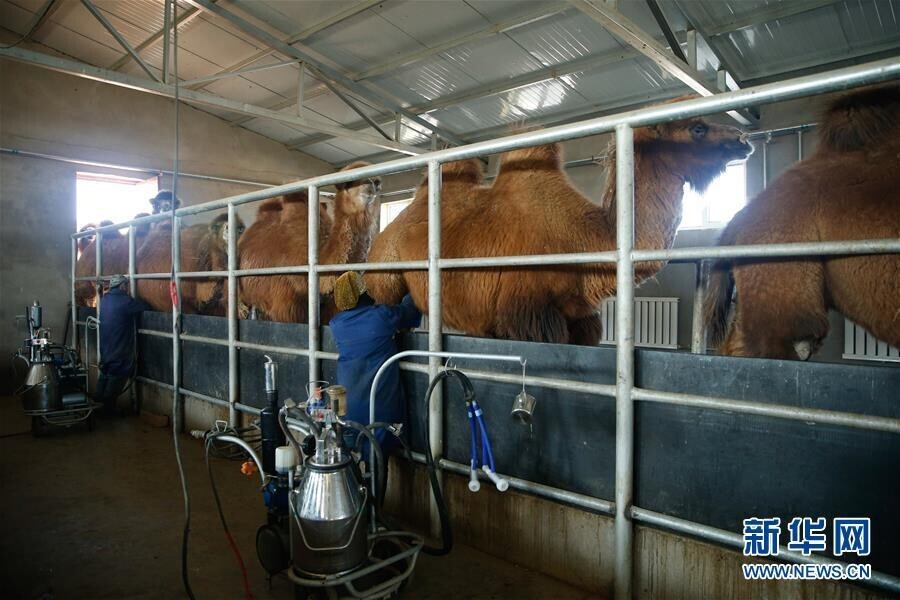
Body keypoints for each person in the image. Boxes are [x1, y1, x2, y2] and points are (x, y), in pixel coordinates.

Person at [328, 271, 421, 449]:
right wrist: (413, 286)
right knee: (379, 450)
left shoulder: (336, 324)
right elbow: (409, 313)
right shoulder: (381, 316)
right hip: (379, 406)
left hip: (348, 407)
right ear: (362, 294)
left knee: (354, 451)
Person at [96, 274, 150, 415]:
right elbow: (145, 306)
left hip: (106, 345)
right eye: (126, 285)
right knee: (117, 373)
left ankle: (96, 404)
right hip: (119, 346)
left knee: (106, 371)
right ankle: (108, 409)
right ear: (122, 286)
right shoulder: (125, 301)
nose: (127, 288)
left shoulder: (105, 299)